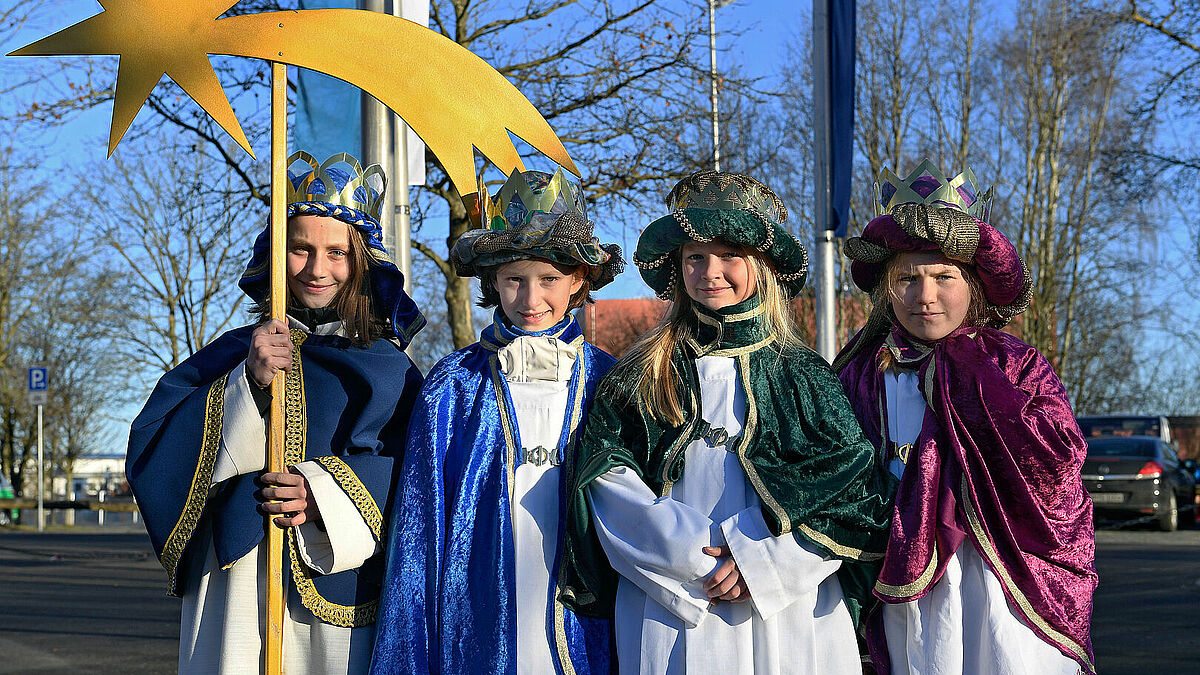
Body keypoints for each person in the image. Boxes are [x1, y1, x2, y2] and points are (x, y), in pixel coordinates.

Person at [560, 170, 892, 674]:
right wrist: (697, 559)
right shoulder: (640, 375)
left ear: (761, 267)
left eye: (729, 256)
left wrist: (758, 560)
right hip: (671, 600)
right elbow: (606, 479)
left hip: (788, 607)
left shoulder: (803, 375)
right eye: (695, 257)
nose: (710, 271)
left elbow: (852, 490)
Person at [127, 151, 425, 674]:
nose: (317, 268)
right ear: (275, 254)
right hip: (239, 583)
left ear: (362, 261)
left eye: (337, 252)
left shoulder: (391, 370)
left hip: (341, 586)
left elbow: (422, 475)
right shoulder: (232, 353)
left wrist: (326, 493)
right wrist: (248, 383)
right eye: (300, 249)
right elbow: (156, 447)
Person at [833, 160, 1097, 675]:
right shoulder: (861, 374)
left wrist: (972, 386)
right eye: (907, 278)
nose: (924, 296)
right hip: (901, 570)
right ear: (887, 289)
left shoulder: (1015, 366)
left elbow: (1058, 466)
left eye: (942, 277)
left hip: (1003, 577)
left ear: (972, 283)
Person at [370, 167, 623, 674]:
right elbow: (419, 529)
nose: (531, 301)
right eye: (514, 280)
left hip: (588, 606)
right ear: (493, 282)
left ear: (579, 281)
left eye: (549, 280)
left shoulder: (609, 381)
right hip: (478, 605)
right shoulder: (454, 384)